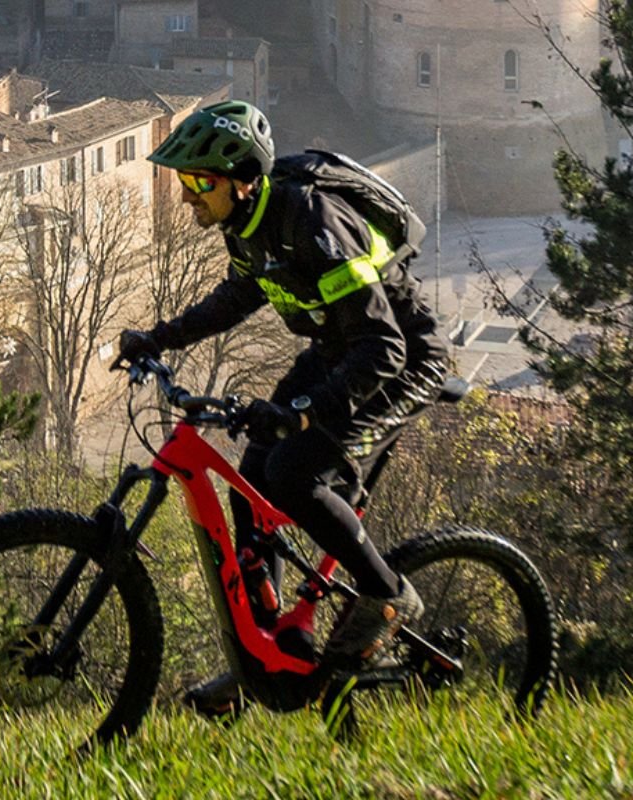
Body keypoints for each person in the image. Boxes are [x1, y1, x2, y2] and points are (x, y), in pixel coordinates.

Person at [117, 100, 450, 715]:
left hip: (397, 359)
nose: (187, 195)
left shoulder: (313, 222)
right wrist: (158, 337)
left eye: (198, 182)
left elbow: (383, 346)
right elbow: (240, 295)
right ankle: (268, 647)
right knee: (251, 479)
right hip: (338, 347)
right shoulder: (250, 227)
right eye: (184, 182)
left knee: (292, 473)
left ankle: (387, 593)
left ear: (241, 180)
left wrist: (302, 413)